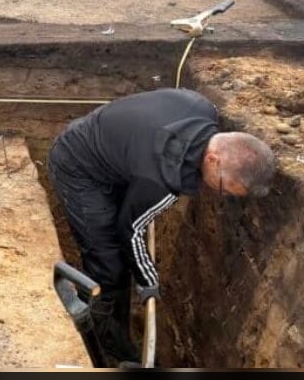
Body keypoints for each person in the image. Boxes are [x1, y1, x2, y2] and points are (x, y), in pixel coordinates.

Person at [47, 88, 276, 365]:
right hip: (78, 166)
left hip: (117, 152)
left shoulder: (204, 108)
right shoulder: (161, 180)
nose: (221, 195)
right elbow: (130, 230)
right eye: (223, 188)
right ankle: (111, 349)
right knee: (109, 267)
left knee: (119, 253)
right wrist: (148, 282)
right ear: (213, 159)